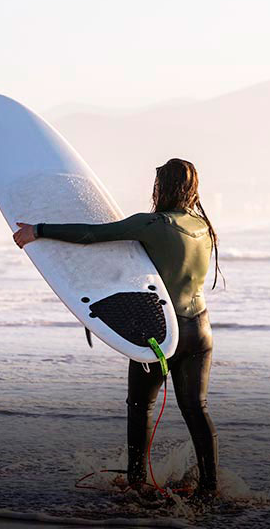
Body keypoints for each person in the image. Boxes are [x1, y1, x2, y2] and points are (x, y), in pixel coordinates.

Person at [12, 158, 222, 498]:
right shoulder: (204, 228)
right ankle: (210, 487)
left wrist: (39, 230)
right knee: (196, 409)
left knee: (140, 405)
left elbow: (93, 235)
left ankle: (137, 479)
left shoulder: (152, 224)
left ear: (163, 187)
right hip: (200, 329)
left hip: (160, 329)